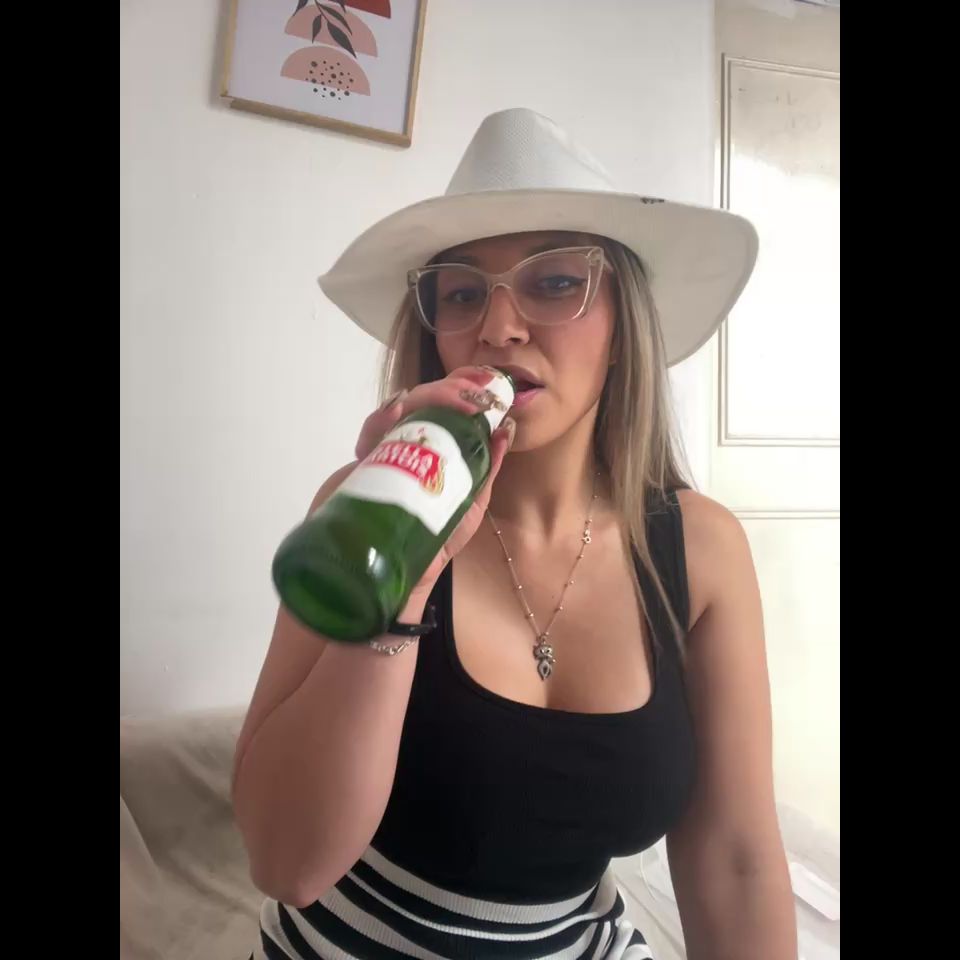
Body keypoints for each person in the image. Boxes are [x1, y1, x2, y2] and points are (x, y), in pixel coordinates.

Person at [233, 108, 797, 959]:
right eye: (462, 293)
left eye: (556, 282)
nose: (498, 327)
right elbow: (287, 862)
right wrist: (402, 581)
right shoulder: (365, 511)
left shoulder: (702, 550)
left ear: (625, 327)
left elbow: (737, 860)